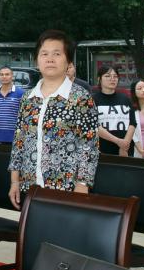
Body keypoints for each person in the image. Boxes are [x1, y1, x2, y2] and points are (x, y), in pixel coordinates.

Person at [9, 30, 98, 205]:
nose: (50, 59)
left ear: (68, 62)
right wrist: (14, 181)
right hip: (30, 188)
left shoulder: (81, 98)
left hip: (67, 190)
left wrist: (82, 186)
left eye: (57, 54)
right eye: (44, 54)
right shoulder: (27, 98)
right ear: (37, 61)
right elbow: (19, 140)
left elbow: (89, 146)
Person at [0, 67, 25, 187]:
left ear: (12, 76)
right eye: (1, 74)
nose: (4, 76)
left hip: (15, 137)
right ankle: (0, 190)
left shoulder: (20, 93)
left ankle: (14, 188)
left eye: (7, 74)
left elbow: (24, 115)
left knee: (15, 167)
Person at [94, 64, 134, 156]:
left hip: (125, 150)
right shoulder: (92, 100)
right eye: (107, 76)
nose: (112, 79)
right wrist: (118, 141)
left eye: (115, 76)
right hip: (102, 150)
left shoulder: (125, 98)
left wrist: (124, 144)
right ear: (99, 79)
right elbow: (94, 125)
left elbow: (133, 123)